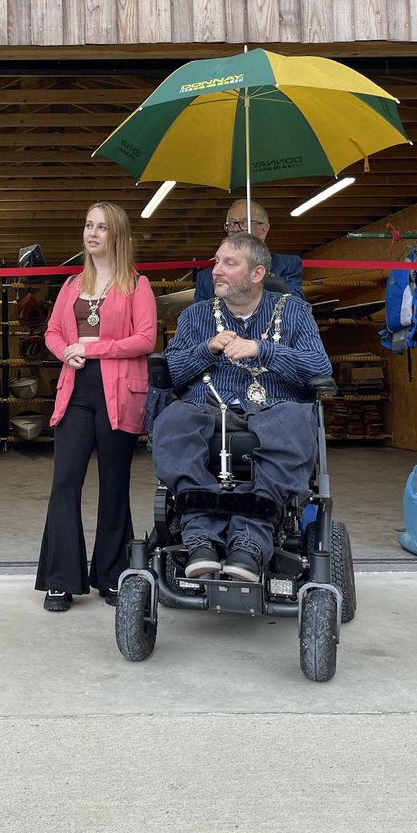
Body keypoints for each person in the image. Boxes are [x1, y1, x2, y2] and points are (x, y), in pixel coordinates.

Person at [152, 233, 330, 583]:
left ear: (257, 273)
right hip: (209, 408)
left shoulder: (293, 311)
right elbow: (168, 375)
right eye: (216, 261)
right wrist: (206, 350)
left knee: (295, 421)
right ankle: (200, 539)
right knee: (172, 420)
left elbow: (320, 368)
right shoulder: (195, 317)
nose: (216, 270)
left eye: (229, 263)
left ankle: (249, 541)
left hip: (275, 408)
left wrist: (263, 350)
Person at [35, 202, 158, 611]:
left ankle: (111, 575)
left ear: (116, 235)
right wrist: (64, 352)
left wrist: (95, 347)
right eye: (88, 225)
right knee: (65, 481)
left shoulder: (136, 285)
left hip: (119, 392)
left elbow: (146, 339)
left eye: (102, 227)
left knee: (114, 483)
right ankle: (60, 579)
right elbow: (52, 330)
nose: (92, 233)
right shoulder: (71, 285)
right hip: (76, 390)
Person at [193, 199, 304, 301]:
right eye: (231, 223)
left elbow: (295, 309)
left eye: (243, 223)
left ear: (264, 229)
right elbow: (198, 319)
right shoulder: (206, 277)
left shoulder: (287, 265)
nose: (235, 229)